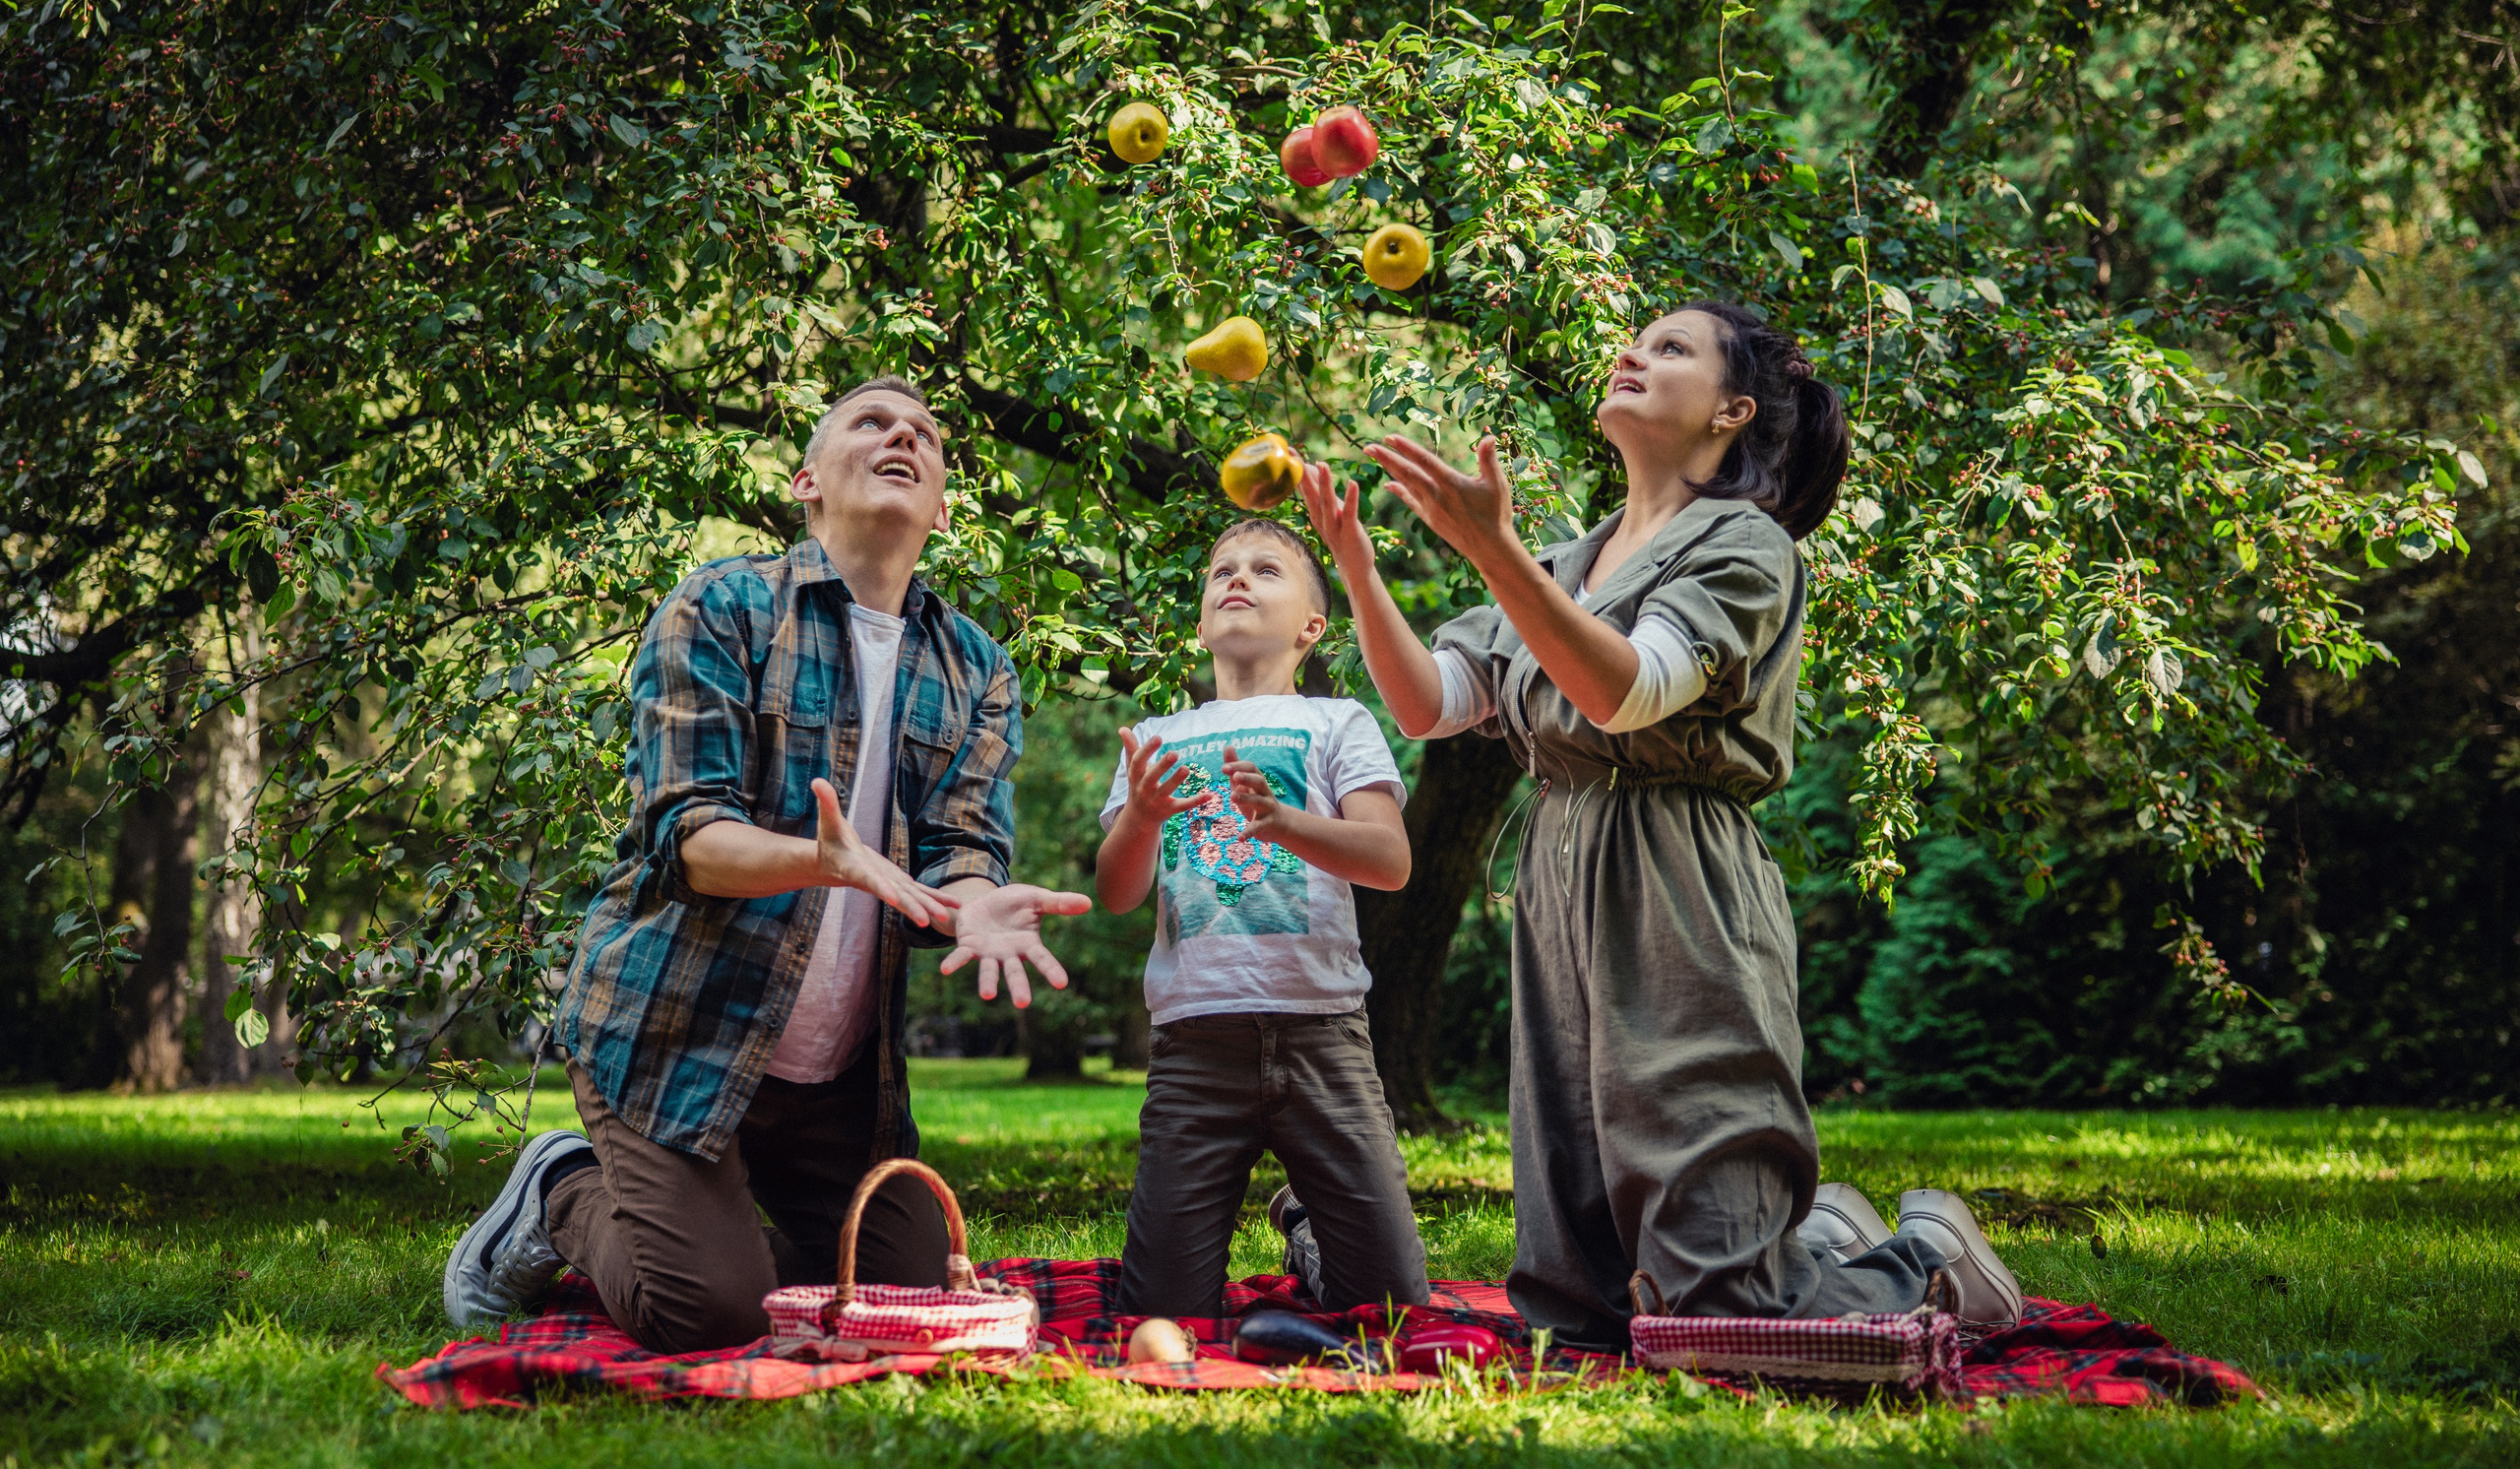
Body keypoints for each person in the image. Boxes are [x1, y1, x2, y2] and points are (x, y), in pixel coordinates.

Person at [1297, 303, 2021, 1349]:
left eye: (1671, 346)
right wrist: (1358, 569)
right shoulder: (1564, 563)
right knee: (1577, 1304)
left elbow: (1626, 692)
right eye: (1636, 338)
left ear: (1733, 411)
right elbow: (1427, 704)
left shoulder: (1746, 544)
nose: (1631, 352)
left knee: (1720, 1307)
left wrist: (1493, 550)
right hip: (1558, 877)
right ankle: (1818, 1243)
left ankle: (1926, 1267)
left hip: (1680, 878)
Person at [441, 375, 1091, 1351]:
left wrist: (973, 903)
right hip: (675, 1036)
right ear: (806, 481)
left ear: (944, 509)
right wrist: (825, 861)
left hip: (834, 1082)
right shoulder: (723, 607)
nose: (902, 437)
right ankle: (560, 1188)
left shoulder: (977, 666)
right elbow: (689, 838)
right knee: (705, 1313)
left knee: (908, 1296)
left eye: (923, 434)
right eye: (870, 422)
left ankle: (717, 1244)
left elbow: (963, 847)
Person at [1095, 518, 1431, 1317]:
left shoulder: (1338, 722)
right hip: (1194, 1046)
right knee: (1160, 1316)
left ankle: (1308, 1234)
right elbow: (1117, 892)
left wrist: (1285, 825)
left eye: (1266, 570)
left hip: (1325, 1035)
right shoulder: (1156, 739)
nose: (1237, 578)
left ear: (1312, 627)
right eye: (1222, 571)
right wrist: (1141, 816)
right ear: (1201, 623)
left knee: (1390, 1314)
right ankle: (1297, 1232)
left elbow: (1390, 861)